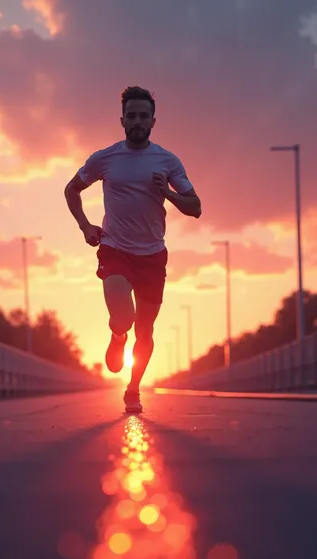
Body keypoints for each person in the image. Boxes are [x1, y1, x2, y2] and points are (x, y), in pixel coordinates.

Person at [64, 86, 201, 413]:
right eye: (131, 116)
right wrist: (85, 226)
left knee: (146, 330)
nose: (137, 121)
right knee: (124, 317)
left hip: (153, 255)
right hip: (115, 249)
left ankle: (134, 388)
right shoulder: (106, 158)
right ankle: (117, 335)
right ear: (122, 120)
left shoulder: (168, 161)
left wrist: (167, 193)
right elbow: (72, 189)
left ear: (153, 121)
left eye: (143, 116)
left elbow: (195, 207)